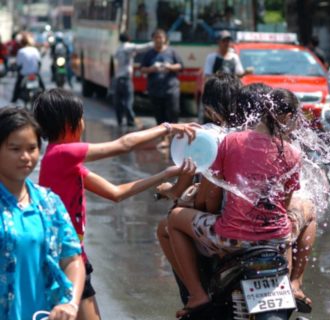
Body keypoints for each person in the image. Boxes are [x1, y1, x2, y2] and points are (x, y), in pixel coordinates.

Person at [32, 88, 199, 320]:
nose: (83, 123)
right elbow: (124, 144)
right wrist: (168, 128)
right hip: (65, 257)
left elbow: (116, 193)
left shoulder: (64, 161)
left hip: (70, 253)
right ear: (68, 123)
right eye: (80, 118)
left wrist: (165, 173)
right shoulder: (63, 153)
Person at [165, 88, 302, 318]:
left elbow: (212, 194)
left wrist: (209, 211)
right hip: (277, 240)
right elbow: (285, 204)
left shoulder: (231, 141)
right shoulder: (293, 153)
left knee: (174, 218)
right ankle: (296, 284)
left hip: (233, 238)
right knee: (306, 212)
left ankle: (197, 294)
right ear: (287, 117)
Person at [0, 107, 85, 320]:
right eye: (15, 148)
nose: (25, 157)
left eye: (32, 148)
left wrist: (71, 304)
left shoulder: (49, 202)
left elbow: (72, 259)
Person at [140, 29, 183, 126]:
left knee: (174, 112)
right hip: (155, 90)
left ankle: (173, 137)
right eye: (156, 37)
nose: (158, 40)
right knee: (159, 115)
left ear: (165, 39)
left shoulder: (172, 52)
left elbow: (180, 66)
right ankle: (164, 138)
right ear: (153, 39)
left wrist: (169, 67)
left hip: (171, 89)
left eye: (161, 37)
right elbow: (142, 69)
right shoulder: (149, 54)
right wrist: (152, 69)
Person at [114, 32, 153, 128]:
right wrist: (153, 43)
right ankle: (130, 121)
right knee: (128, 101)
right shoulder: (128, 47)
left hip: (118, 79)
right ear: (129, 38)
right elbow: (142, 48)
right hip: (126, 79)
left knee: (119, 102)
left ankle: (119, 121)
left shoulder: (118, 49)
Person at [11, 32, 44, 103]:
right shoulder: (35, 50)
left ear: (22, 43)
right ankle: (45, 98)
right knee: (42, 87)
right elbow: (39, 62)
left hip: (24, 74)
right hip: (35, 73)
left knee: (17, 86)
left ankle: (14, 99)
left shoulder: (21, 51)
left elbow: (19, 64)